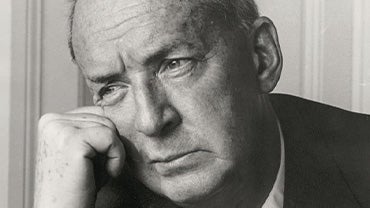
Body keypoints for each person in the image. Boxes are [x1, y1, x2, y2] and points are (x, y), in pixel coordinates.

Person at [33, 0, 370, 207]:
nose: (151, 121)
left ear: (261, 58)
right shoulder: (93, 201)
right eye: (111, 89)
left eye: (175, 64)